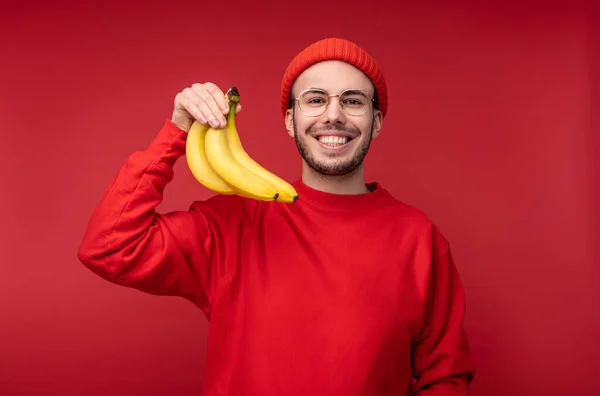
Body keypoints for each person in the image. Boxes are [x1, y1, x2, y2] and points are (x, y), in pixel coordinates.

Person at [78, 37, 476, 395]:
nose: (333, 115)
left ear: (376, 121)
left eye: (353, 101)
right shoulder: (234, 224)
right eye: (315, 99)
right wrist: (177, 132)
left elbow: (445, 376)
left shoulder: (419, 238)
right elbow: (108, 247)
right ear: (290, 120)